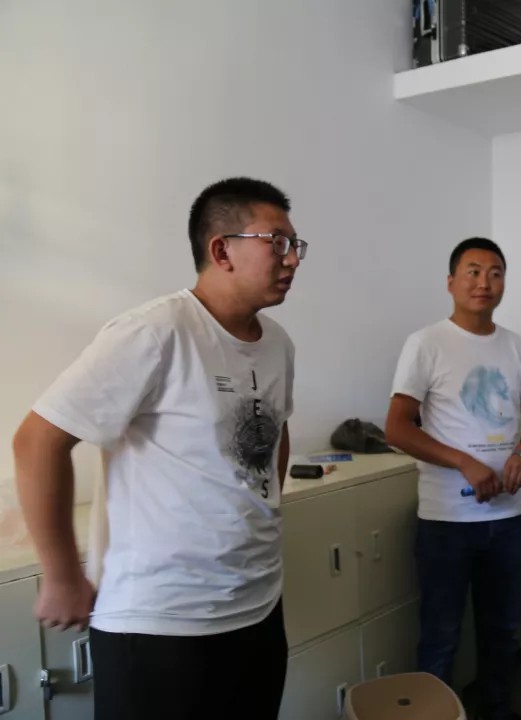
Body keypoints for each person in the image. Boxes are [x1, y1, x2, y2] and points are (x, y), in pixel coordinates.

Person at [12, 177, 304, 720]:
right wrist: (62, 575)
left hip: (258, 605)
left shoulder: (278, 344)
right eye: (278, 242)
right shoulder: (155, 331)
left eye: (295, 245)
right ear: (222, 250)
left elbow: (275, 432)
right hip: (159, 622)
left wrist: (259, 511)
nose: (292, 259)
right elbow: (38, 440)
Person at [384, 237, 521, 720]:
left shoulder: (515, 346)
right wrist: (464, 462)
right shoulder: (426, 343)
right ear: (451, 282)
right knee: (441, 636)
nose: (484, 282)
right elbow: (397, 428)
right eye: (473, 271)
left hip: (508, 518)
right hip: (447, 522)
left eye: (495, 273)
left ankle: (497, 711)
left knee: (503, 630)